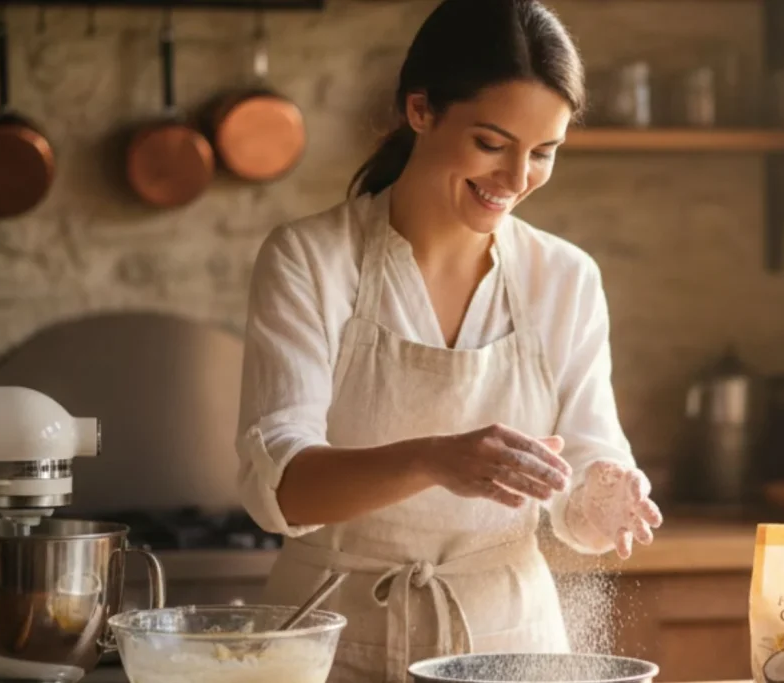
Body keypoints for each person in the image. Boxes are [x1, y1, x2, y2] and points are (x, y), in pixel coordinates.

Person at [235, 0, 663, 681]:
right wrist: (435, 458)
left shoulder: (566, 278)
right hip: (331, 637)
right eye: (492, 143)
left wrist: (602, 496)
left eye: (544, 152)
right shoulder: (309, 259)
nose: (518, 179)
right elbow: (280, 491)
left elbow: (581, 468)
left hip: (509, 640)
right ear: (421, 110)